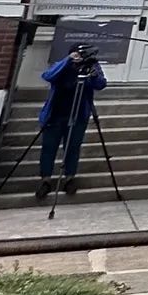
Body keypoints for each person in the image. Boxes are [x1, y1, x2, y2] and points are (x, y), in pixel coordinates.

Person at [35, 46, 107, 201]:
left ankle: (69, 178)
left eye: (82, 55)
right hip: (55, 115)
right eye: (77, 54)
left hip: (78, 116)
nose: (79, 57)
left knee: (73, 147)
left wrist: (92, 73)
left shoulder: (91, 66)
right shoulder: (61, 65)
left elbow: (101, 84)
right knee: (49, 147)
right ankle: (45, 179)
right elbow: (48, 76)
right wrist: (67, 61)